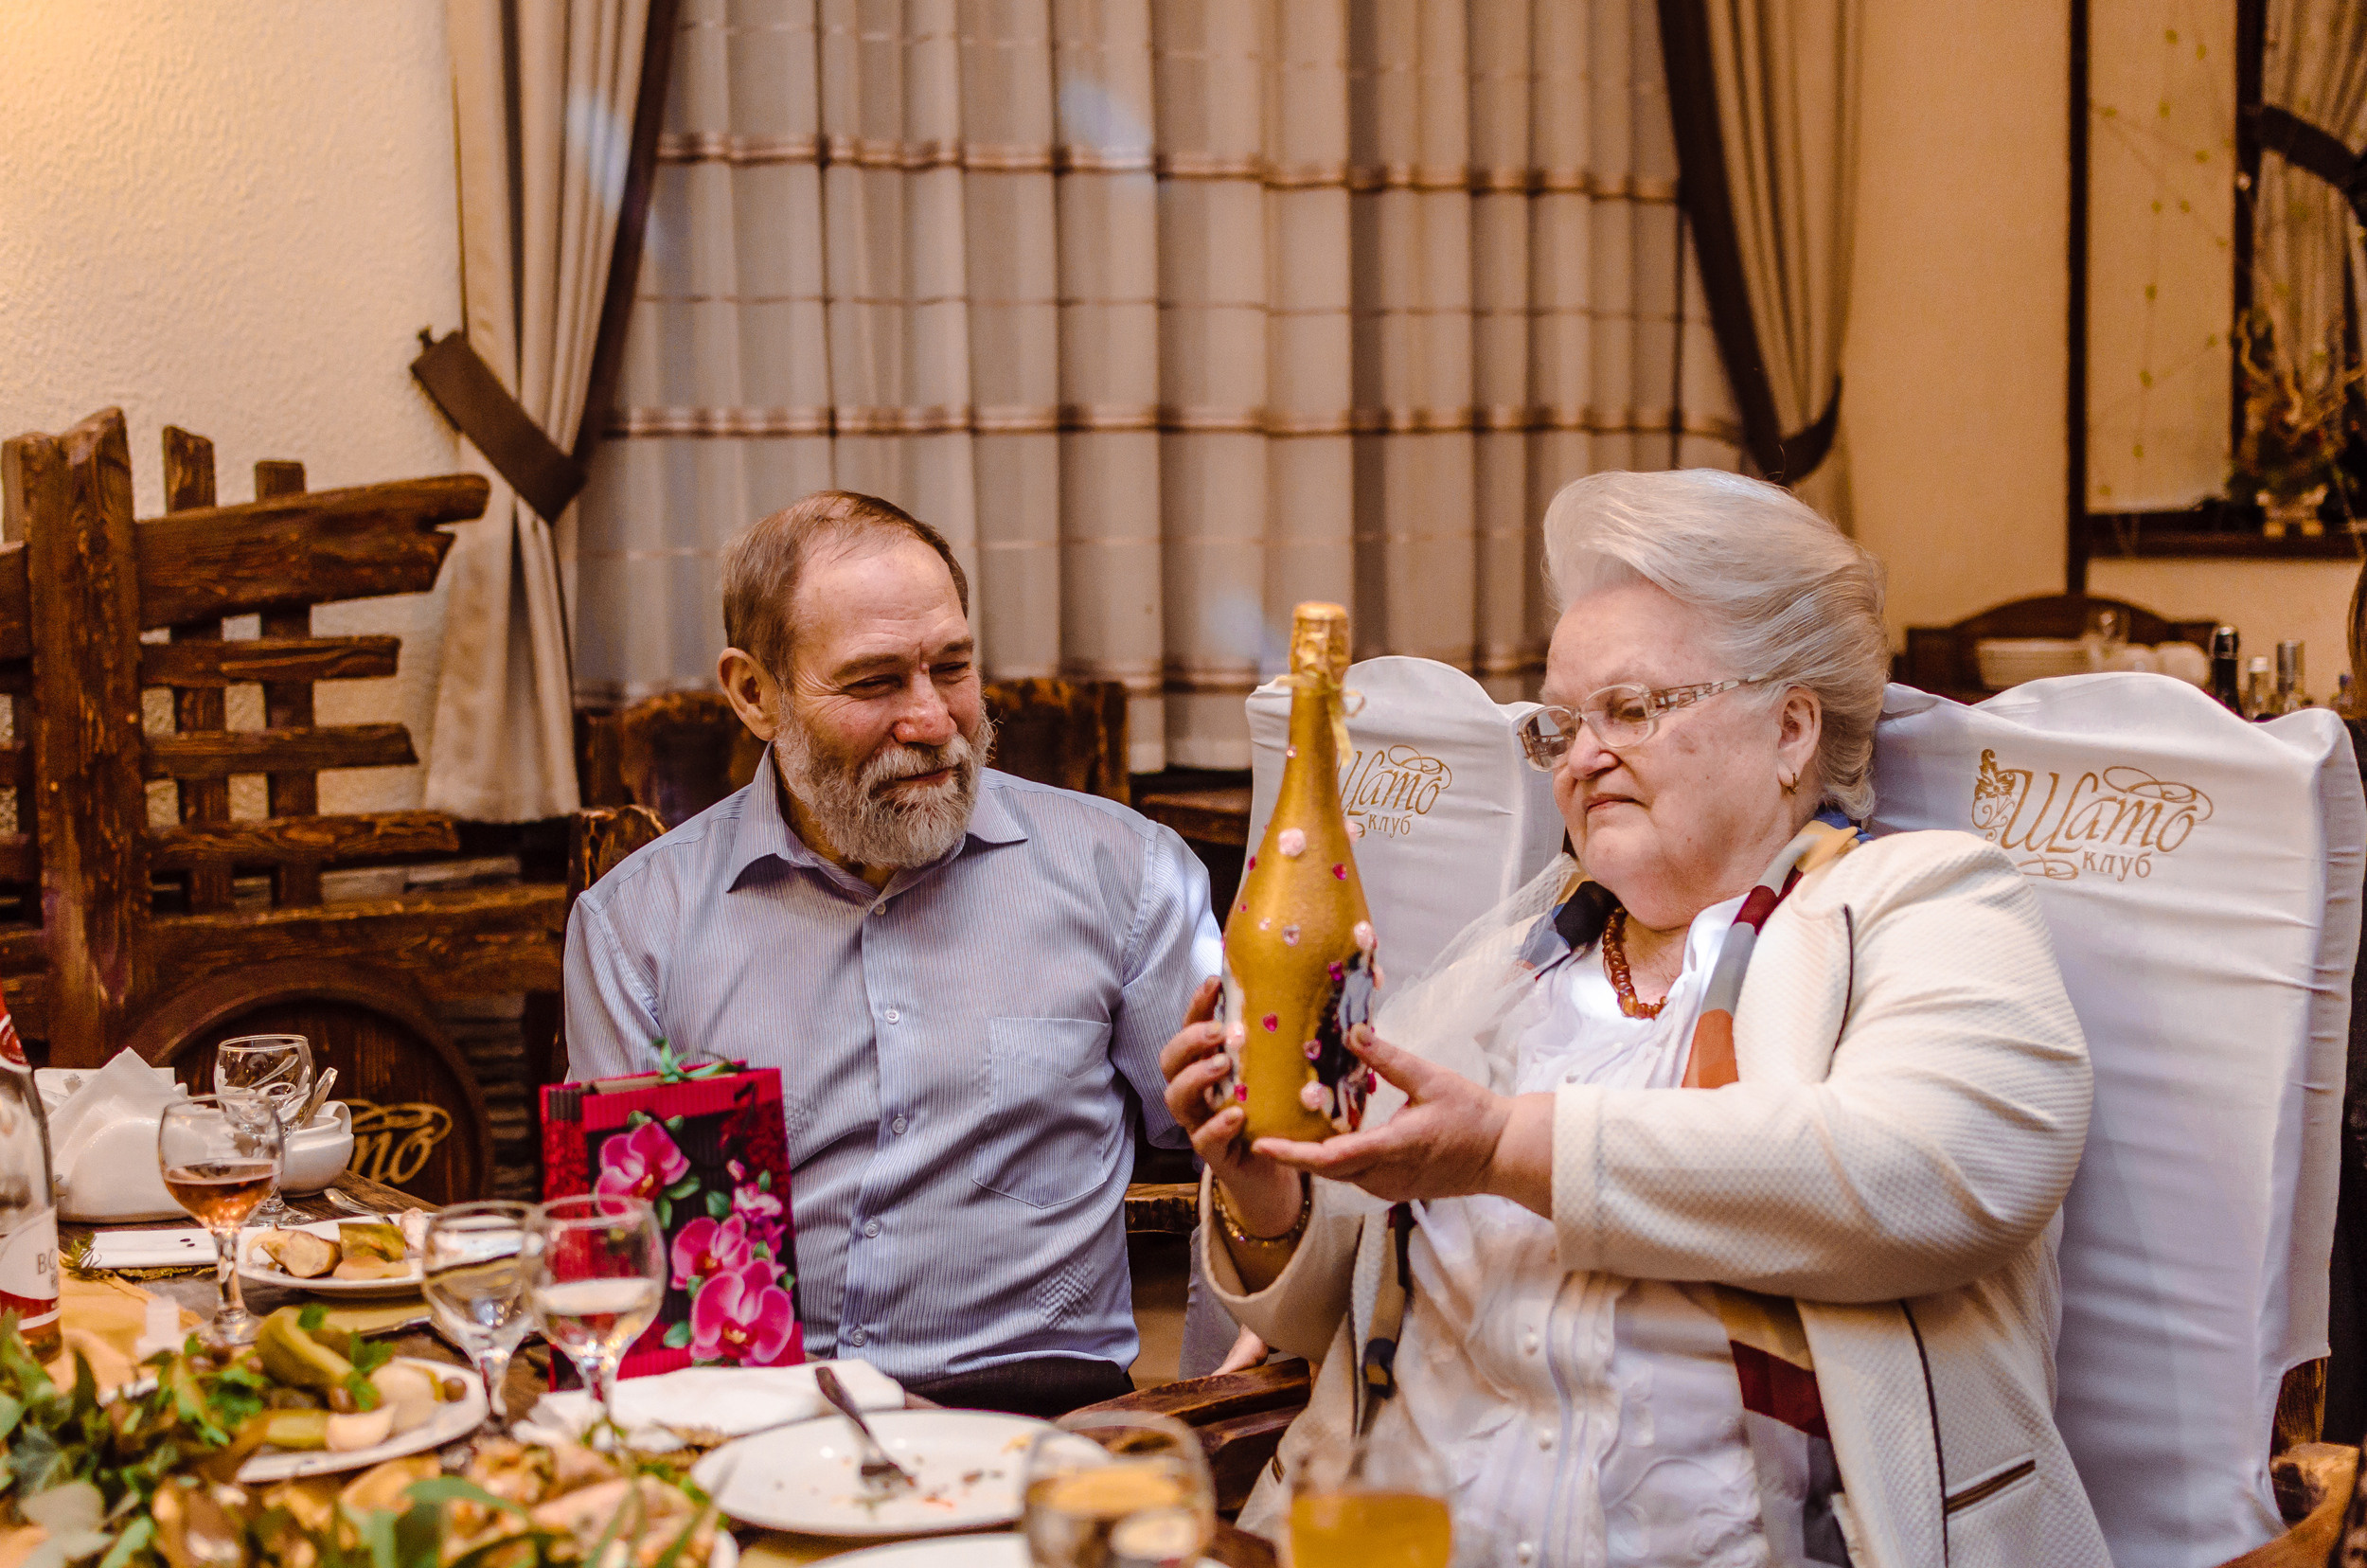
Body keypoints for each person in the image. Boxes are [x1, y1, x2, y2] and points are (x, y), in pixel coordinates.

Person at [1161, 471, 2110, 1566]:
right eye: (1561, 725)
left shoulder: (1922, 902)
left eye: (1632, 709)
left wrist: (1508, 1146)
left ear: (1791, 728)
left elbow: (1941, 1167)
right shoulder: (1509, 956)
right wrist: (1264, 1188)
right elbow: (1322, 1309)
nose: (1582, 756)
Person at [567, 490, 1220, 1417]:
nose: (931, 721)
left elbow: (1246, 1156)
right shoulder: (636, 926)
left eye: (951, 668)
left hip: (1045, 1423)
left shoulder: (1131, 876)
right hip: (758, 1427)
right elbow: (628, 1266)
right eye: (874, 683)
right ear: (755, 693)